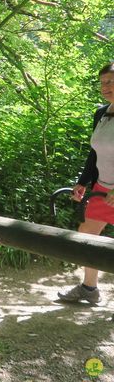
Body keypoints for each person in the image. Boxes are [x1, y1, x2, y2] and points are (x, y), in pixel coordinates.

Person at [58, 63, 114, 304]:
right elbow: (94, 153)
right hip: (102, 187)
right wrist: (83, 182)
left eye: (111, 81)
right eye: (102, 82)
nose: (106, 87)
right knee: (87, 236)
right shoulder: (101, 113)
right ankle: (89, 289)